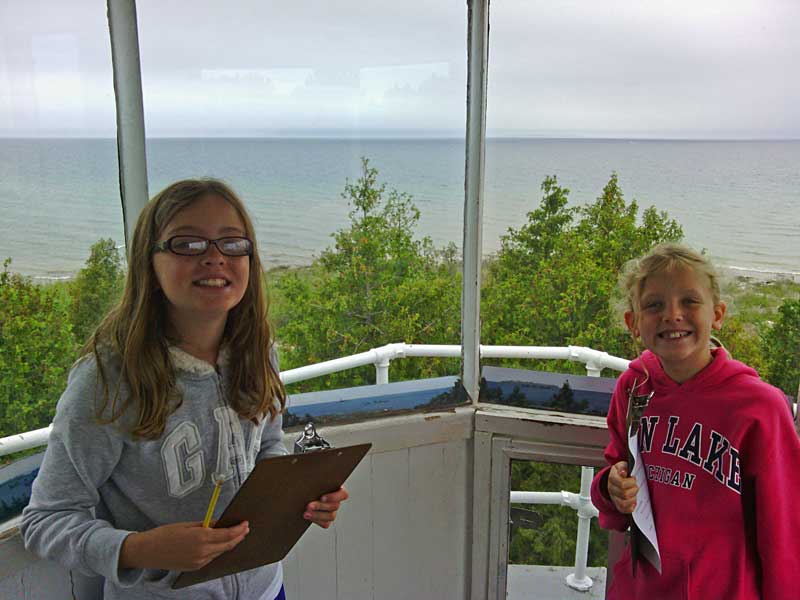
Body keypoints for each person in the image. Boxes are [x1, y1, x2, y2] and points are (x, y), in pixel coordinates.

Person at [20, 179, 348, 600]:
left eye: (233, 244)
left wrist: (295, 498)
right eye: (187, 244)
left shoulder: (257, 350)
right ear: (149, 264)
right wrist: (139, 549)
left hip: (266, 590)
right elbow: (46, 519)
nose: (215, 258)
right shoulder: (109, 380)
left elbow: (266, 446)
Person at [590, 242, 800, 600]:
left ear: (717, 314)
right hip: (642, 588)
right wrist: (610, 488)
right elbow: (617, 478)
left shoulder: (760, 408)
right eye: (654, 305)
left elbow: (783, 533)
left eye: (690, 301)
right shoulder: (634, 386)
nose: (672, 314)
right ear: (634, 323)